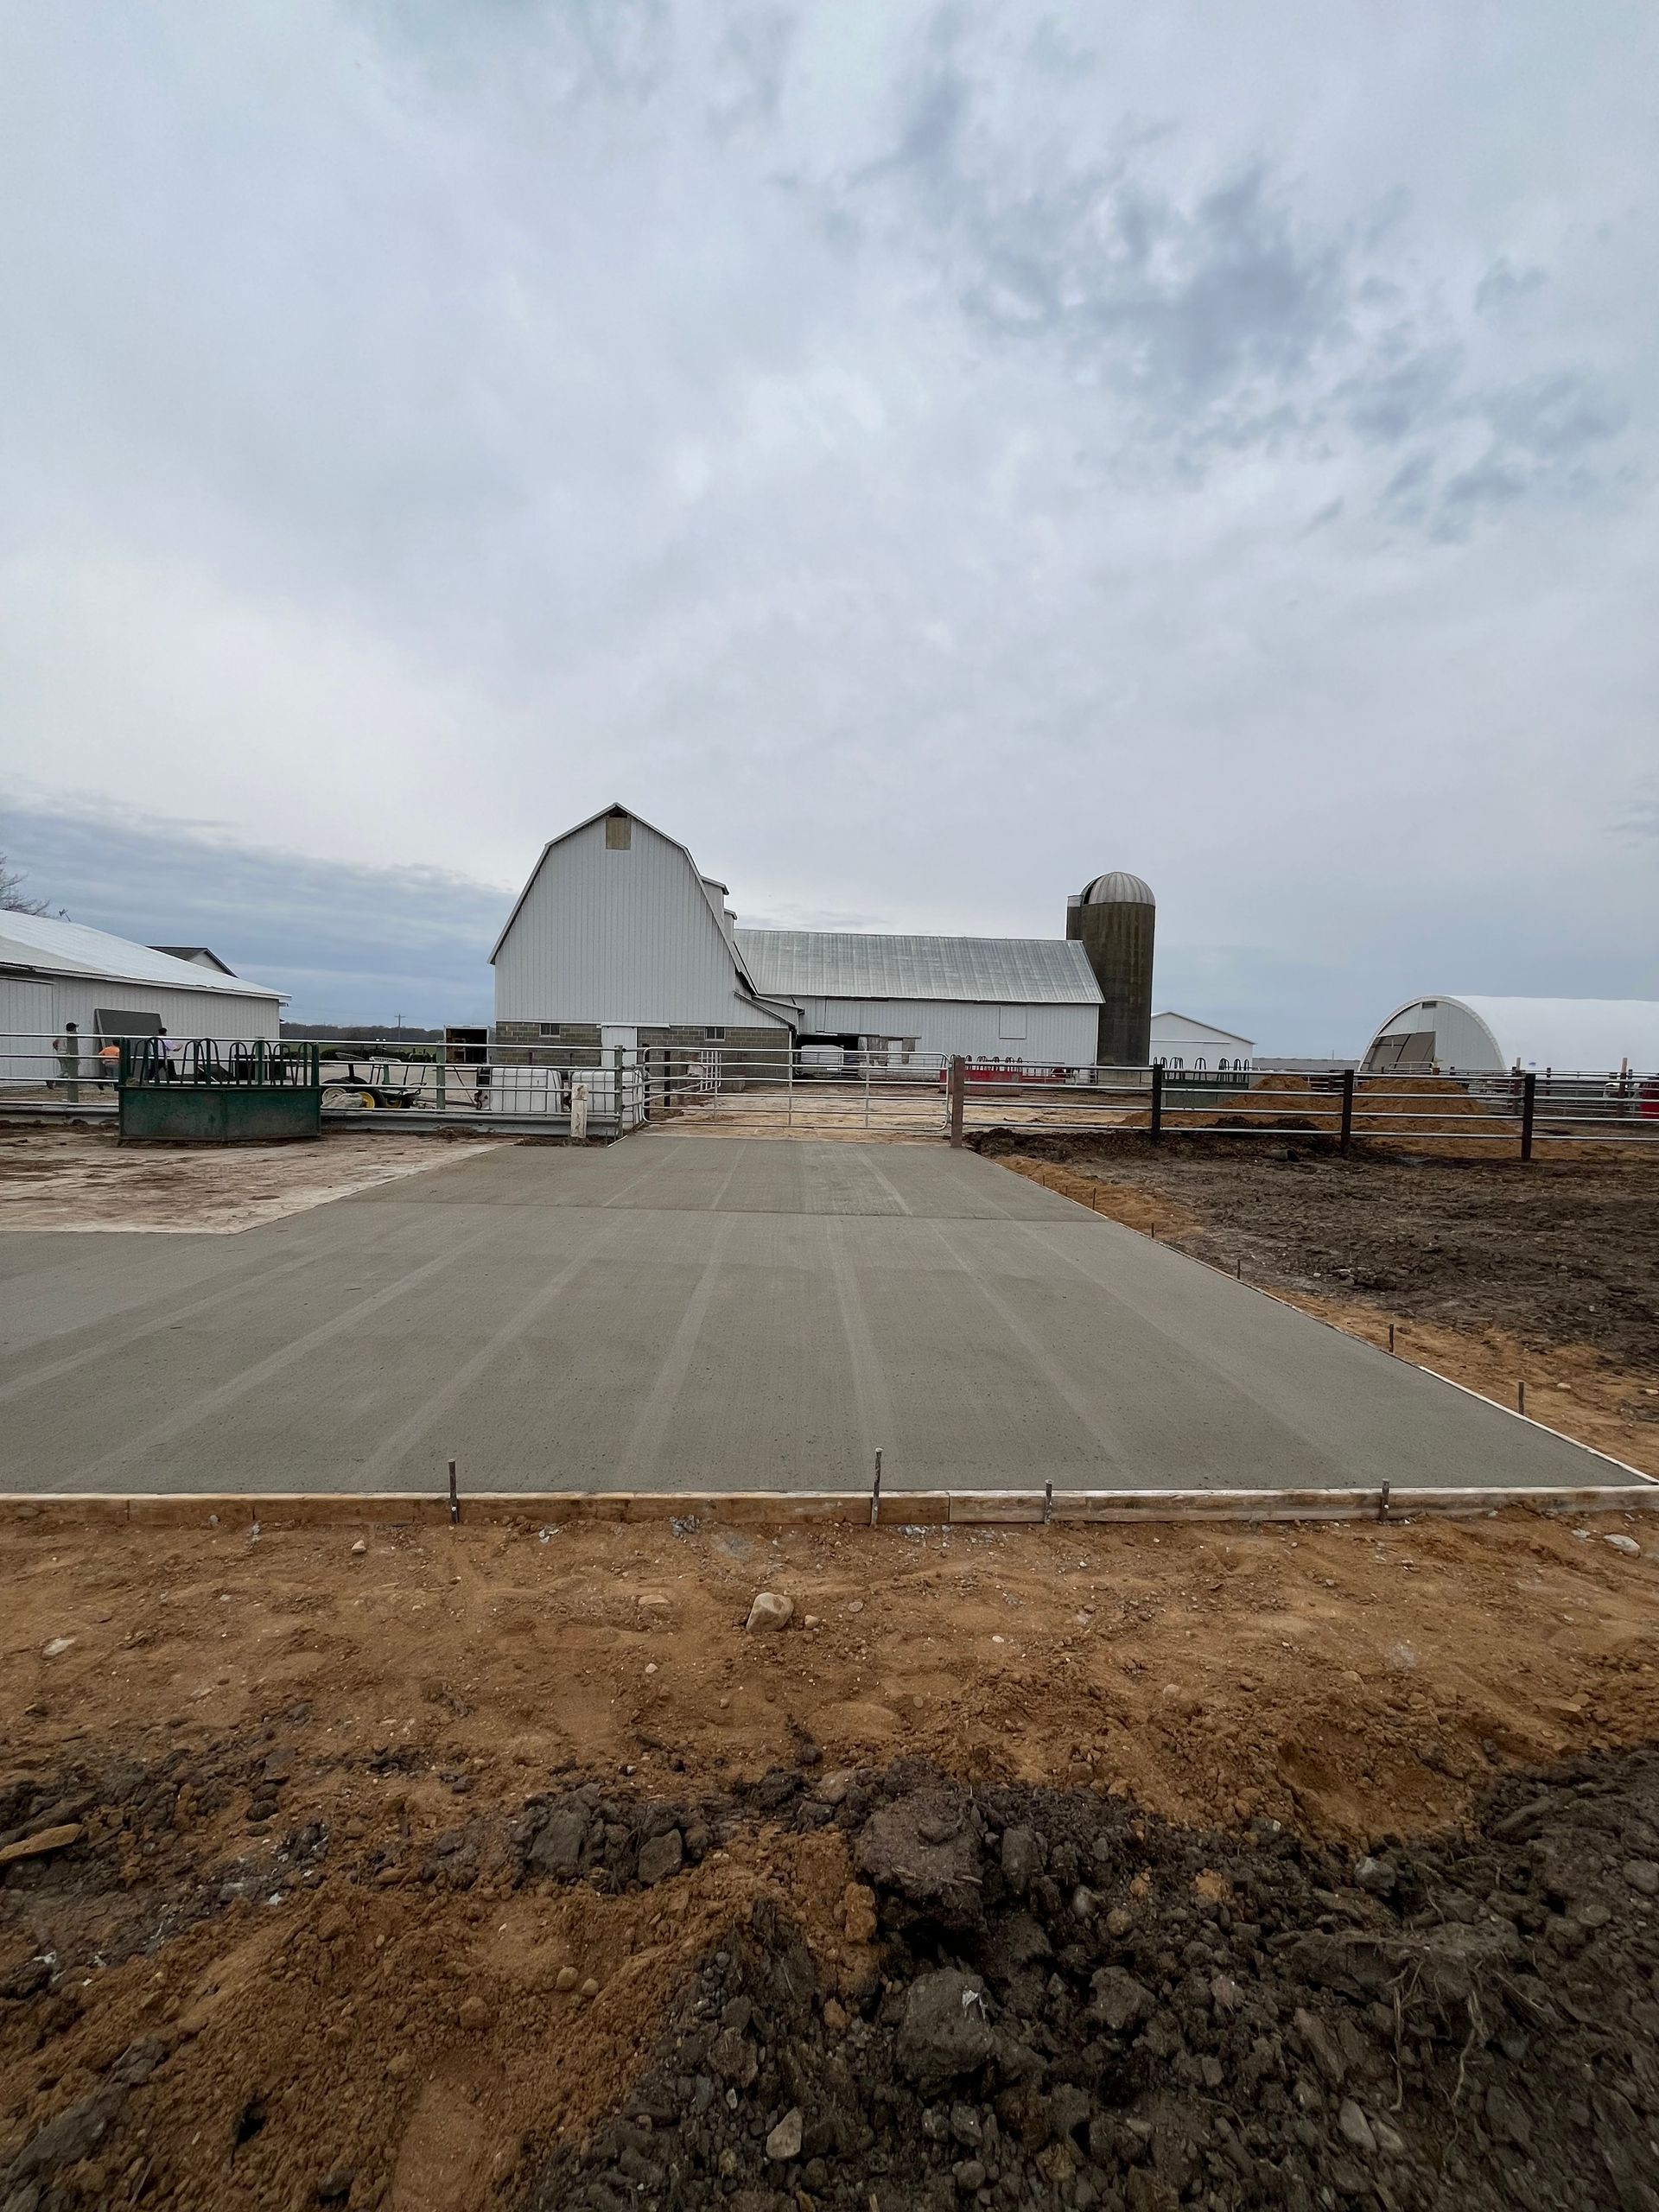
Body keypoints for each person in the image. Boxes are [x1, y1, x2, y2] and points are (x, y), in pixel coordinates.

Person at [53, 1021, 81, 1101]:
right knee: (71, 1070)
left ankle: (56, 1080)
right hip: (67, 1055)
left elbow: (54, 1043)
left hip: (60, 1054)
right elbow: (71, 1047)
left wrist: (59, 1050)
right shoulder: (71, 1036)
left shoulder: (62, 1035)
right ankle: (70, 1086)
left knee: (64, 1069)